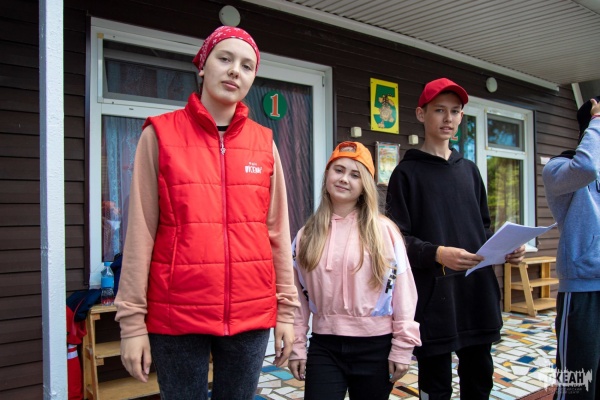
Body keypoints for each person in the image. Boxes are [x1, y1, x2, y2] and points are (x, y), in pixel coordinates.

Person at [114, 26, 299, 400]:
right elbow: (140, 232)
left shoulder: (264, 143)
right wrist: (132, 323)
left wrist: (286, 311)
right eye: (225, 58)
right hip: (177, 314)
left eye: (246, 66)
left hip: (250, 312)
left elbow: (277, 232)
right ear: (202, 65)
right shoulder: (160, 135)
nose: (234, 71)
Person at [385, 78, 526, 399]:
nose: (448, 118)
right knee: (435, 387)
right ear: (421, 114)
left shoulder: (470, 171)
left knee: (479, 381)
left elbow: (482, 229)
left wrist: (506, 249)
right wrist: (437, 253)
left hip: (476, 294)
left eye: (455, 111)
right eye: (439, 110)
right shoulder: (406, 174)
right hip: (433, 298)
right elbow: (395, 240)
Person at [288, 141, 421, 400]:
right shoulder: (306, 235)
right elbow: (297, 297)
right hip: (325, 345)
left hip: (377, 347)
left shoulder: (384, 231)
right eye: (338, 170)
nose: (344, 179)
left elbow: (404, 292)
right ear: (327, 175)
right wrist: (297, 345)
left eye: (355, 174)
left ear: (364, 186)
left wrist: (403, 347)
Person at [542, 96, 600, 399]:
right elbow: (587, 166)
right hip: (582, 290)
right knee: (577, 386)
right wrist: (597, 120)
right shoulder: (558, 168)